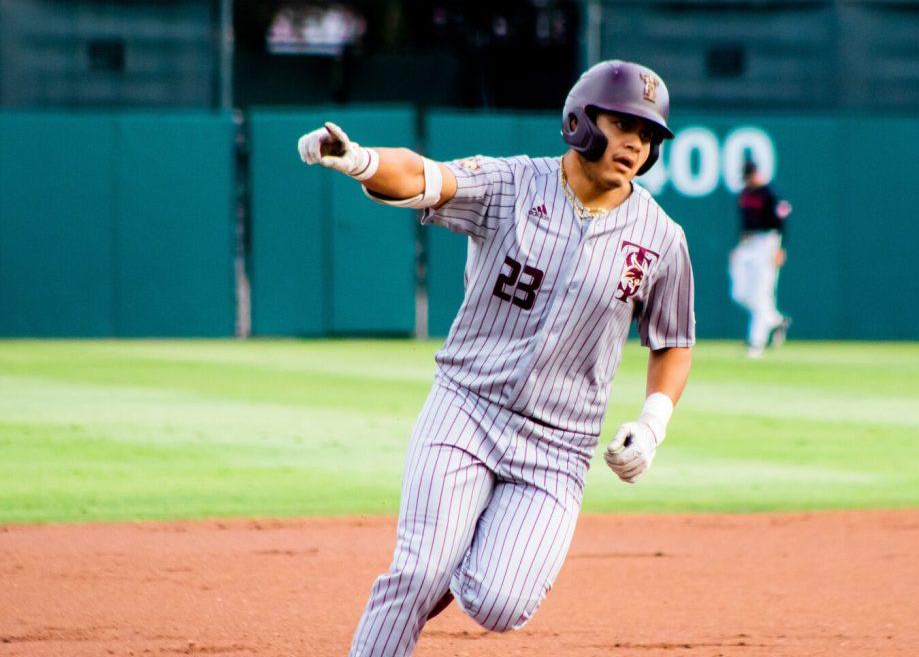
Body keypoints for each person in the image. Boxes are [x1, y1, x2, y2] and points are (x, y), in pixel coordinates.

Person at [297, 59, 695, 657]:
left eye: (649, 135)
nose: (636, 143)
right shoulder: (512, 185)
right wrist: (360, 161)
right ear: (580, 121)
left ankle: (447, 564)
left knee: (499, 603)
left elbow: (672, 343)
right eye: (623, 124)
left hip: (560, 446)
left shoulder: (662, 238)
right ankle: (424, 578)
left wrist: (653, 424)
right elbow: (423, 176)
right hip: (466, 408)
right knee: (418, 571)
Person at [729, 159, 790, 358]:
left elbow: (782, 220)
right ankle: (776, 320)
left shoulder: (770, 192)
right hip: (748, 243)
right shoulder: (745, 193)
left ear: (756, 174)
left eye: (749, 176)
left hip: (768, 242)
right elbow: (744, 222)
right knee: (740, 293)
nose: (747, 180)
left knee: (761, 292)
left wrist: (781, 248)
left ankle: (756, 343)